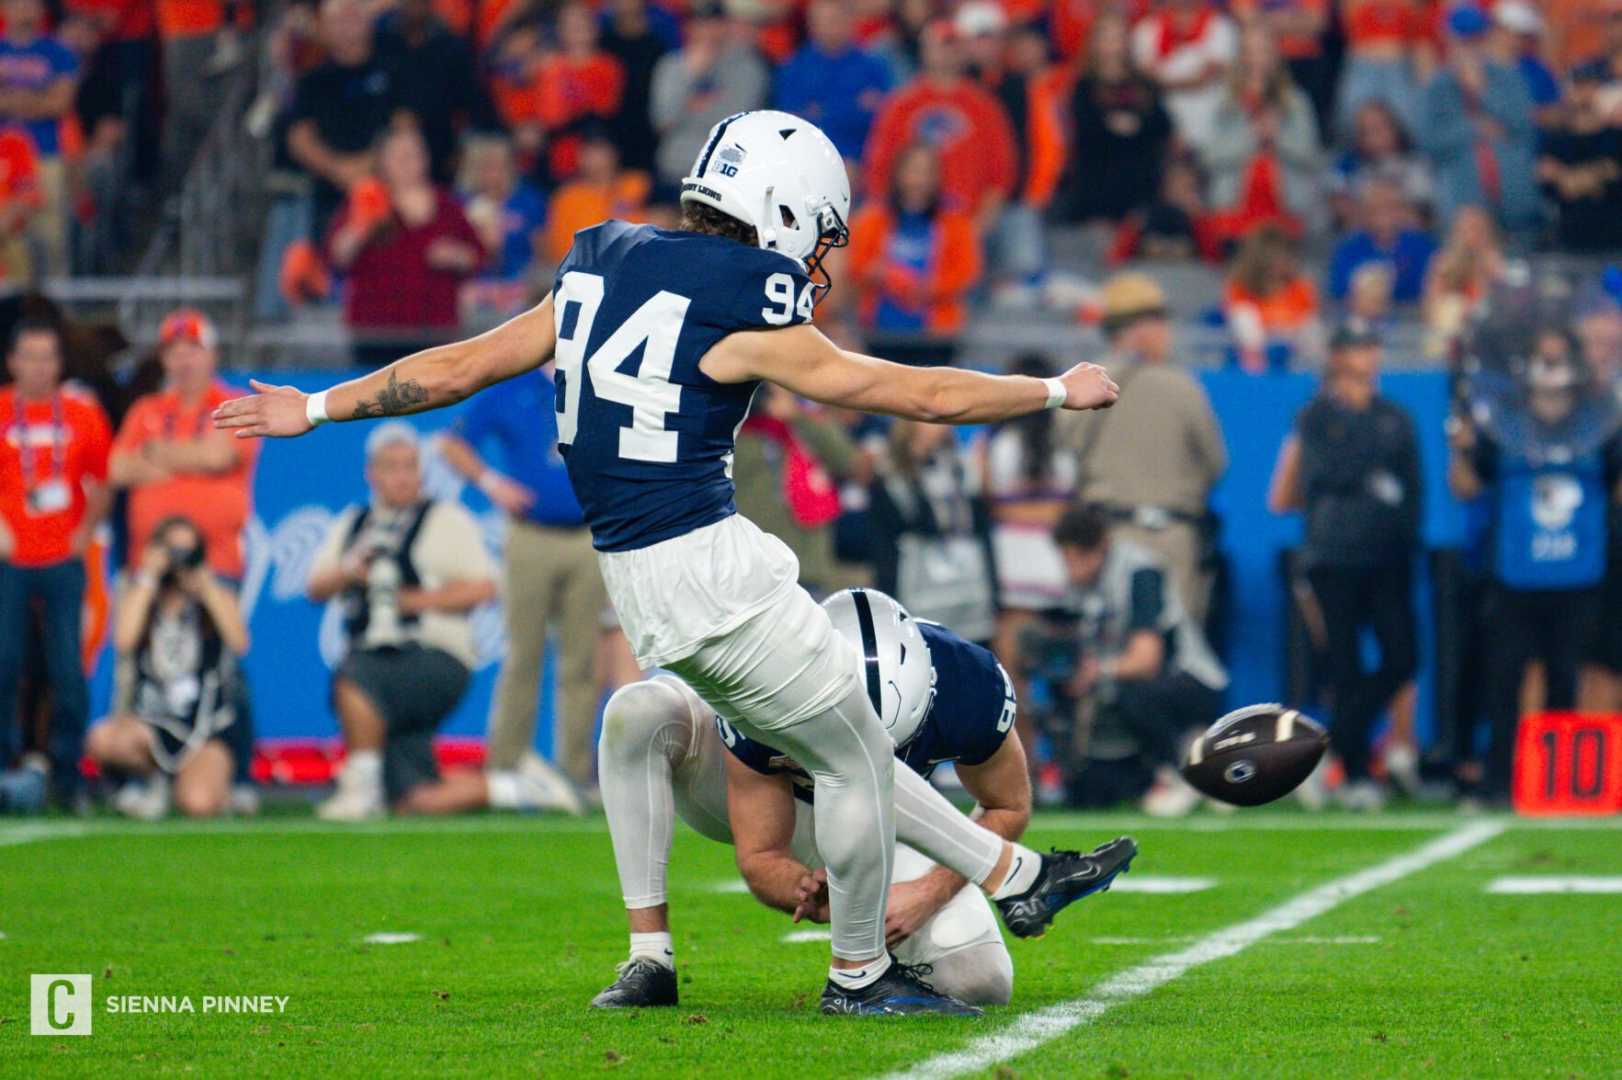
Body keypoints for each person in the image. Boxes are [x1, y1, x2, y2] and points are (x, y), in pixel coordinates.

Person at [214, 107, 1121, 1017]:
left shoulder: (600, 259)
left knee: (822, 736)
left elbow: (460, 367)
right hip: (707, 569)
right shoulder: (748, 294)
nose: (818, 254)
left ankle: (1012, 876)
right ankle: (863, 975)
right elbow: (908, 391)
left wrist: (320, 407)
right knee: (851, 761)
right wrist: (1051, 389)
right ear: (783, 206)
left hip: (643, 577)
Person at [592, 588, 1133, 1008]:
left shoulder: (969, 682)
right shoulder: (773, 677)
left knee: (981, 981)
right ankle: (649, 959)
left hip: (886, 823)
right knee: (641, 712)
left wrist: (929, 891)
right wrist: (806, 891)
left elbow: (1008, 804)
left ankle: (888, 956)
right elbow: (761, 856)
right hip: (765, 799)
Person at [1448, 328, 1622, 803]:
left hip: (1579, 573)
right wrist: (1458, 446)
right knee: (1504, 679)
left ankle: (1560, 781)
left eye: (1559, 360)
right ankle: (1499, 780)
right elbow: (1466, 487)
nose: (1552, 373)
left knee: (1567, 678)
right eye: (1543, 362)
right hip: (1515, 574)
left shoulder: (1600, 426)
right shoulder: (1504, 428)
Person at [304, 423, 501, 820]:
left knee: (355, 677)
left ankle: (360, 785)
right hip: (377, 654)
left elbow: (484, 588)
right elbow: (316, 587)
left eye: (410, 466)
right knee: (414, 801)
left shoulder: (445, 518)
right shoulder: (355, 523)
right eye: (391, 466)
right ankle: (511, 788)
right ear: (371, 473)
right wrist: (349, 570)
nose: (402, 476)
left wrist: (412, 601)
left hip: (436, 656)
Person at [1268, 322, 1422, 811]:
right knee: (1344, 667)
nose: (1365, 357)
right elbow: (1324, 475)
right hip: (1333, 556)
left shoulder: (1395, 417)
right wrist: (1372, 477)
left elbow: (1412, 489)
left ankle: (1332, 747)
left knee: (1403, 658)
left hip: (1387, 556)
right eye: (1354, 347)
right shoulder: (1316, 416)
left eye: (1370, 346)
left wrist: (1406, 534)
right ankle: (1355, 772)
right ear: (1337, 358)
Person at [437, 368, 607, 799]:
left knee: (582, 661)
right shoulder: (512, 390)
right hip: (530, 534)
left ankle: (573, 774)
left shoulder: (601, 379)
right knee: (522, 656)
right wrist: (492, 483)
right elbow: (452, 444)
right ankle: (506, 770)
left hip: (591, 533)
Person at [1061, 273, 1227, 626]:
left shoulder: (1080, 386)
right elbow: (1215, 464)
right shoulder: (1182, 387)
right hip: (1172, 536)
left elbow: (1064, 452)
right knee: (1173, 652)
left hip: (1107, 537)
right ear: (1140, 329)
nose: (1167, 333)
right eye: (1160, 323)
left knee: (1110, 647)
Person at [1053, 503, 1229, 817]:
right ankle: (1153, 774)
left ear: (1101, 546)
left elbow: (1146, 660)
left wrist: (1095, 672)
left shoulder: (1139, 572)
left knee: (1132, 694)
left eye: (1080, 558)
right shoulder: (1082, 586)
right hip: (1136, 684)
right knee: (1092, 788)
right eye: (1066, 559)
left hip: (1190, 682)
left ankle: (1186, 770)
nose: (1072, 569)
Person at [0, 317, 110, 808]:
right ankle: (7, 771)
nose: (39, 366)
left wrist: (85, 532)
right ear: (12, 361)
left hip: (64, 558)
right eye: (30, 356)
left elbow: (104, 479)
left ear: (59, 364)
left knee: (68, 669)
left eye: (48, 357)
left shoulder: (83, 414)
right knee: (5, 664)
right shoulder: (3, 410)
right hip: (10, 558)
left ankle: (68, 777)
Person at [85, 517, 252, 819]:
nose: (177, 562)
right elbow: (123, 640)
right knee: (101, 738)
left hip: (203, 727)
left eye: (186, 552)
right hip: (152, 721)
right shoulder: (140, 593)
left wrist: (205, 587)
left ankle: (205, 784)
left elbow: (239, 642)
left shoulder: (215, 594)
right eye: (171, 551)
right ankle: (152, 779)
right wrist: (148, 576)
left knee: (198, 804)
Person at [110, 309, 258, 584]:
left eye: (193, 349)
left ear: (212, 355)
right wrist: (194, 457)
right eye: (174, 352)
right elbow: (117, 469)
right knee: (131, 624)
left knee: (221, 625)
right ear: (164, 360)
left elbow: (218, 457)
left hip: (216, 561)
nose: (184, 361)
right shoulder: (146, 409)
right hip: (149, 561)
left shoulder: (235, 403)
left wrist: (153, 451)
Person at [326, 125, 485, 367]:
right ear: (383, 162)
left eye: (413, 154)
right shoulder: (365, 201)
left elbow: (478, 256)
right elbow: (338, 258)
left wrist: (457, 256)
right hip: (375, 336)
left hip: (435, 335)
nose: (407, 162)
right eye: (398, 156)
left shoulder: (448, 207)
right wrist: (361, 227)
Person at [846, 142, 981, 365]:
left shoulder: (956, 223)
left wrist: (925, 288)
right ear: (897, 174)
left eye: (926, 172)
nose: (918, 180)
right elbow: (856, 265)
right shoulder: (872, 219)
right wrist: (880, 274)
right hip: (879, 331)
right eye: (912, 171)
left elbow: (966, 272)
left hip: (936, 334)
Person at [869, 418, 997, 646]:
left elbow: (980, 528)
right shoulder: (890, 475)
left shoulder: (961, 466)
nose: (942, 425)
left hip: (967, 589)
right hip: (916, 586)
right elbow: (886, 542)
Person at [1418, 6, 1540, 237]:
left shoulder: (1509, 78)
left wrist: (1482, 91)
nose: (1470, 48)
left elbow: (1524, 129)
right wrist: (1476, 128)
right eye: (1463, 41)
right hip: (1462, 196)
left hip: (1512, 193)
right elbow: (1429, 142)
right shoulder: (1437, 87)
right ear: (1448, 40)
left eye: (1476, 40)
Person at [284, 0, 400, 238]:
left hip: (392, 189)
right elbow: (299, 137)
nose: (346, 26)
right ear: (323, 29)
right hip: (331, 194)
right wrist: (338, 169)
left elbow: (405, 121)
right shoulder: (312, 80)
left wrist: (372, 162)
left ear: (367, 22)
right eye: (337, 20)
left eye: (352, 17)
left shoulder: (395, 66)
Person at [1055, 12, 1173, 227]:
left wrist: (1132, 125)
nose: (1112, 45)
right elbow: (1085, 130)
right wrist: (1120, 126)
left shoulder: (1143, 83)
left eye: (1118, 37)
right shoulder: (1083, 86)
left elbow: (1163, 124)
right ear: (1095, 43)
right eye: (1107, 38)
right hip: (1097, 190)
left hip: (1140, 189)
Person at [648, 1, 768, 188]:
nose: (707, 31)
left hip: (725, 171)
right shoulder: (671, 66)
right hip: (675, 169)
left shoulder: (747, 67)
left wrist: (692, 107)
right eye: (699, 24)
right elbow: (663, 121)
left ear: (725, 26)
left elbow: (733, 124)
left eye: (714, 23)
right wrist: (690, 76)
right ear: (688, 28)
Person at [0, 0, 80, 274]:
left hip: (45, 154)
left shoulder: (59, 53)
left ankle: (57, 310)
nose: (24, 10)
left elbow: (60, 104)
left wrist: (9, 100)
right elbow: (48, 101)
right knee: (8, 242)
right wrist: (36, 100)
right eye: (17, 3)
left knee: (51, 238)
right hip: (3, 161)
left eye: (30, 3)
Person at [772, 0, 893, 163]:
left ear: (850, 21)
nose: (829, 28)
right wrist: (852, 107)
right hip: (807, 156)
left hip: (860, 159)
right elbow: (791, 122)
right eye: (822, 22)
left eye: (835, 20)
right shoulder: (793, 67)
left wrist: (820, 110)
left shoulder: (873, 67)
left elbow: (880, 119)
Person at [1130, 0, 1238, 153]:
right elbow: (1143, 75)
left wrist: (1163, 80)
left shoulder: (1221, 27)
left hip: (1208, 128)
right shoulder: (1146, 30)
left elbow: (1210, 74)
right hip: (1159, 129)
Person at [1327, 177, 1437, 305]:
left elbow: (1432, 292)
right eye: (1376, 207)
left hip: (1414, 320)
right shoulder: (1347, 250)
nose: (1384, 214)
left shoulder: (1424, 247)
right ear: (1364, 212)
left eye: (1391, 206)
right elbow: (1338, 297)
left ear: (1403, 210)